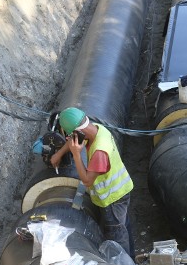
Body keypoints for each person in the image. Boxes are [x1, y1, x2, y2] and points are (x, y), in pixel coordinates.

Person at [50, 107, 134, 256]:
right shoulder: (97, 129)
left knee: (117, 235)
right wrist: (59, 154)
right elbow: (72, 140)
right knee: (123, 225)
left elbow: (87, 180)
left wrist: (76, 154)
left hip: (112, 198)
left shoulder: (99, 152)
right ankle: (131, 258)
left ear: (78, 133)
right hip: (122, 188)